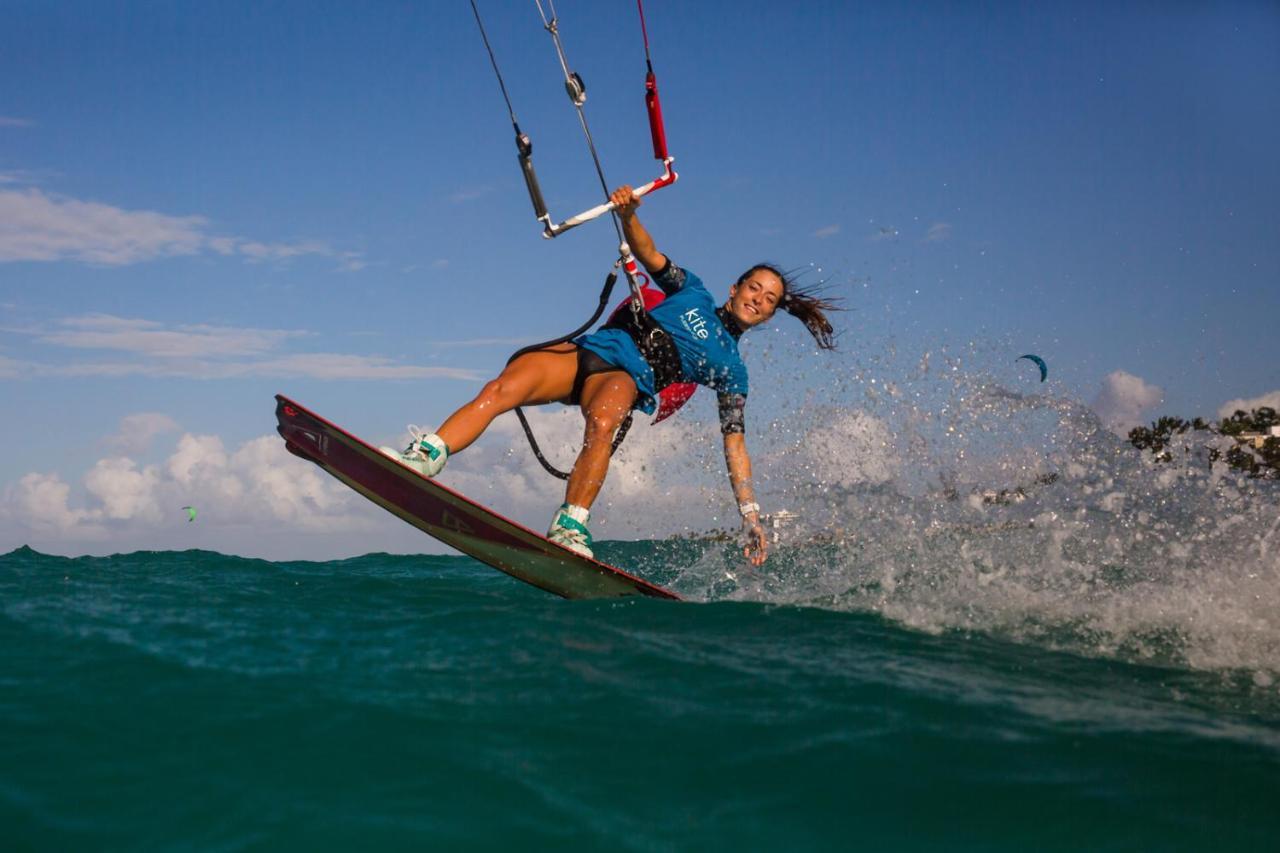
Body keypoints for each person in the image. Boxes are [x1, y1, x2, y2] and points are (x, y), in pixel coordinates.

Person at [382, 186, 839, 565]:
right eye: (754, 287)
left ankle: (570, 526)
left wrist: (751, 513)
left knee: (604, 423)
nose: (758, 298)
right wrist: (628, 216)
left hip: (625, 376)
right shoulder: (693, 290)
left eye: (770, 299)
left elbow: (734, 443)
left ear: (770, 315)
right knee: (501, 388)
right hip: (587, 352)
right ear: (734, 288)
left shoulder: (732, 370)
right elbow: (649, 253)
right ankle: (425, 457)